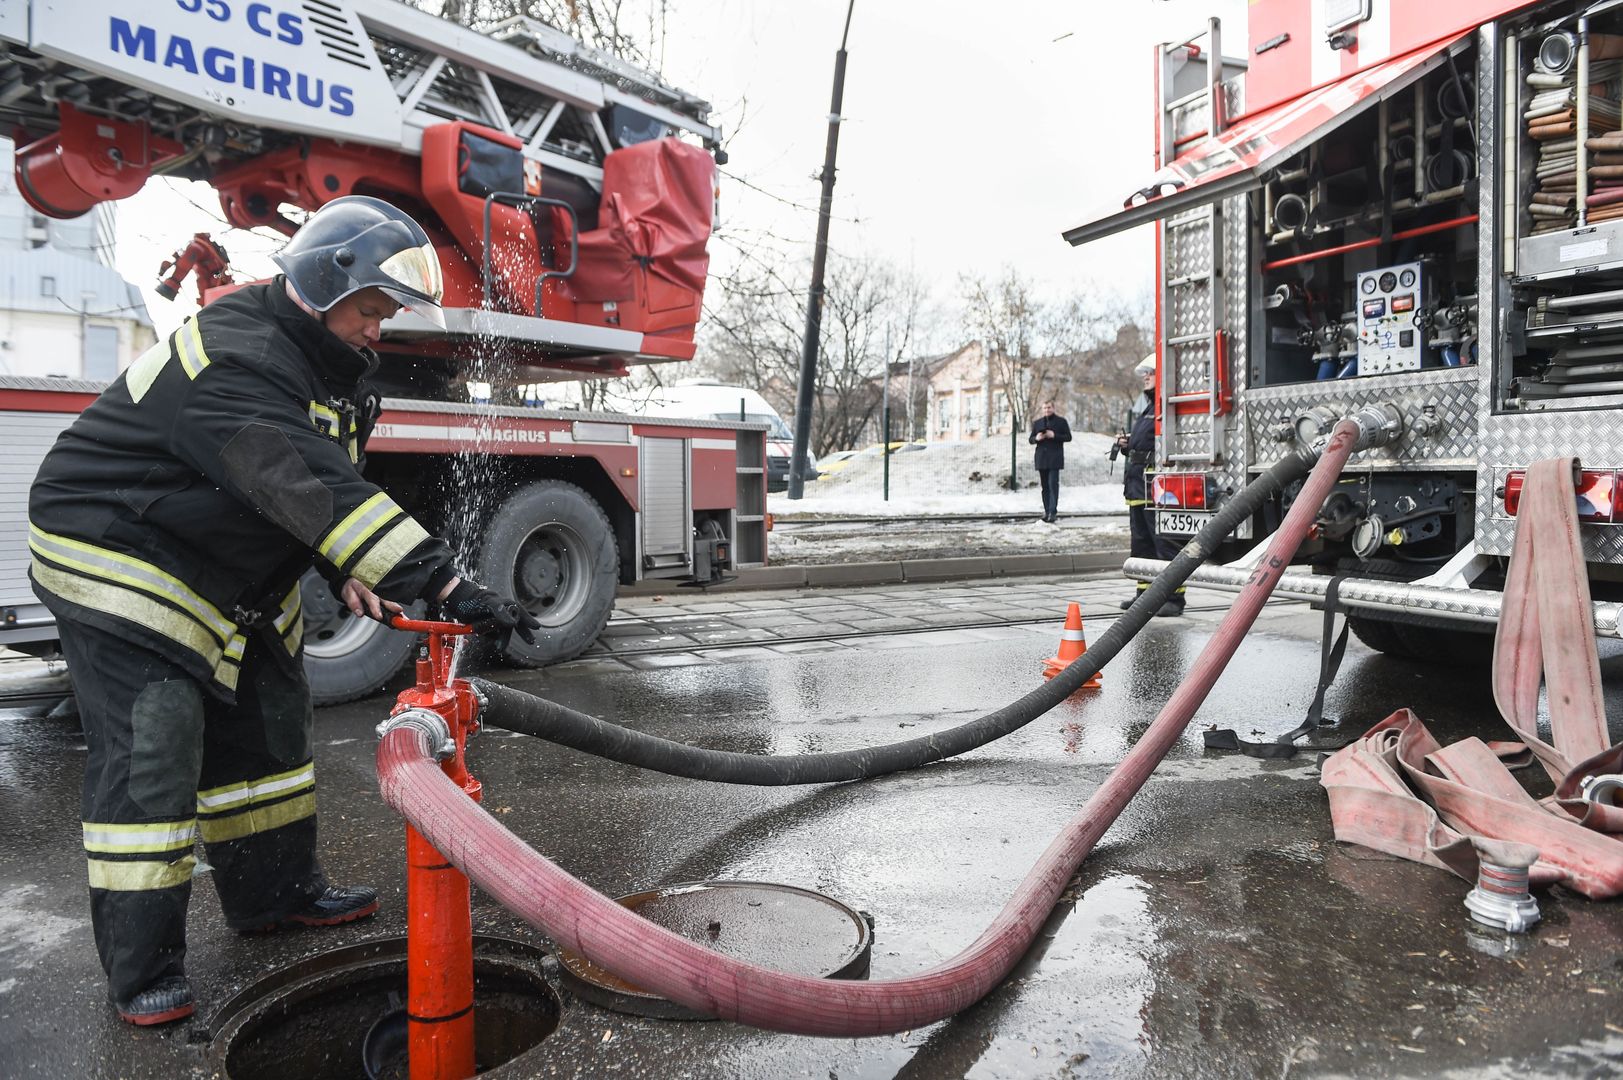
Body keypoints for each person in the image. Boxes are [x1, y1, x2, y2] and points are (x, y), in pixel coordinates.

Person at [27, 195, 541, 1026]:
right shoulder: (237, 357)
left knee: (268, 722)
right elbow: (300, 479)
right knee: (156, 744)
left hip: (221, 561)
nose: (381, 331)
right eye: (371, 312)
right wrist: (442, 583)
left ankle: (275, 897)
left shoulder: (324, 370)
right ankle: (142, 971)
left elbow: (301, 494)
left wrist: (339, 563)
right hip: (122, 551)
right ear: (320, 284)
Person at [1116, 354, 1185, 616]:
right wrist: (1128, 445)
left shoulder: (1166, 409)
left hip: (1158, 490)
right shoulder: (1148, 410)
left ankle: (1173, 599)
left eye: (1151, 372)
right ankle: (1145, 595)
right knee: (1142, 545)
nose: (1145, 376)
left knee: (1164, 544)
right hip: (1137, 489)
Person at [1027, 399, 1072, 523]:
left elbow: (1068, 437)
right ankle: (1046, 511)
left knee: (1053, 484)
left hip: (1054, 458)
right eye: (1045, 408)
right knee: (1044, 486)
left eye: (1049, 408)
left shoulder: (1061, 422)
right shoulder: (1037, 423)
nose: (1047, 410)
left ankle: (1053, 512)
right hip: (1041, 458)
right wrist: (1036, 438)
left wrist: (1054, 435)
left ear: (1053, 408)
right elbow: (1030, 439)